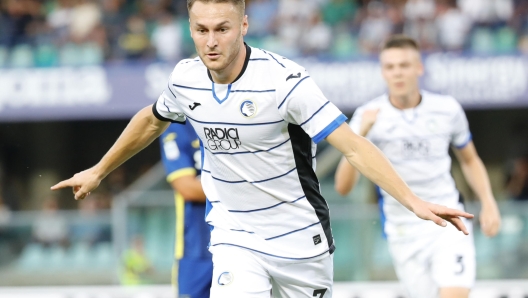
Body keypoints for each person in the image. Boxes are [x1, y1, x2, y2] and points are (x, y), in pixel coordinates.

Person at [51, 2, 474, 297]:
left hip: (299, 240)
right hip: (235, 235)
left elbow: (354, 147)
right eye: (201, 30)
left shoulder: (286, 82)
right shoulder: (185, 78)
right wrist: (100, 170)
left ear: (244, 25)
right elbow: (151, 118)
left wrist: (414, 201)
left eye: (222, 29)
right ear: (190, 28)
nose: (210, 41)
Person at [334, 35, 501, 298]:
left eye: (404, 65)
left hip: (448, 220)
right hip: (403, 230)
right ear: (383, 72)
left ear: (419, 68)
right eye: (390, 67)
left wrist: (489, 202)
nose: (397, 72)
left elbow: (470, 159)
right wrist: (361, 135)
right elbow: (343, 187)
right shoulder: (368, 116)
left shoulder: (447, 109)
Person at [159, 122, 212, 298]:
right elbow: (187, 188)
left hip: (243, 245)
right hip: (195, 250)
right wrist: (240, 188)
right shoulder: (177, 126)